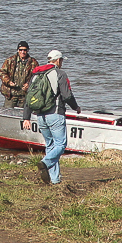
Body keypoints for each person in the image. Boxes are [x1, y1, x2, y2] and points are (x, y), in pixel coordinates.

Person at [21, 49, 80, 185]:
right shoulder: (60, 74)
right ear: (58, 60)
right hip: (55, 114)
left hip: (40, 116)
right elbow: (67, 96)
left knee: (50, 145)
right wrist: (75, 107)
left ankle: (55, 179)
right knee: (61, 145)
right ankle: (45, 163)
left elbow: (29, 98)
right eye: (62, 60)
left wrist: (26, 117)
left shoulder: (36, 75)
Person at [0, 41, 38, 108]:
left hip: (24, 95)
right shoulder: (10, 60)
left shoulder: (33, 62)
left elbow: (37, 76)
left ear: (28, 50)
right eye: (21, 50)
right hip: (11, 94)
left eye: (25, 50)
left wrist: (29, 84)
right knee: (7, 113)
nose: (23, 52)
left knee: (22, 115)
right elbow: (2, 72)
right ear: (18, 50)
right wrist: (8, 82)